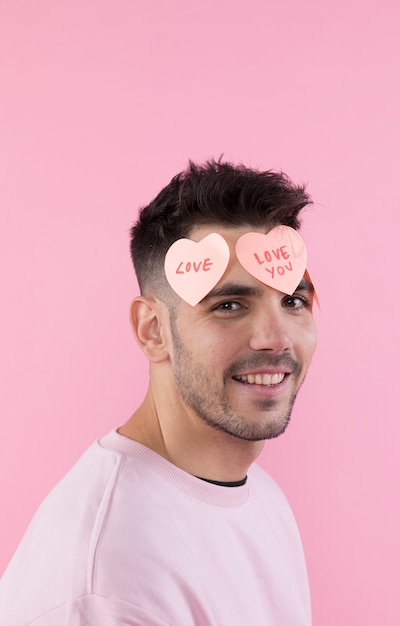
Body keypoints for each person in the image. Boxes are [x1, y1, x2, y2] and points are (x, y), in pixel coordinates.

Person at [0, 159, 317, 625]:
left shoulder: (262, 497)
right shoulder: (110, 577)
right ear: (153, 330)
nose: (276, 337)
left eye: (293, 300)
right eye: (229, 305)